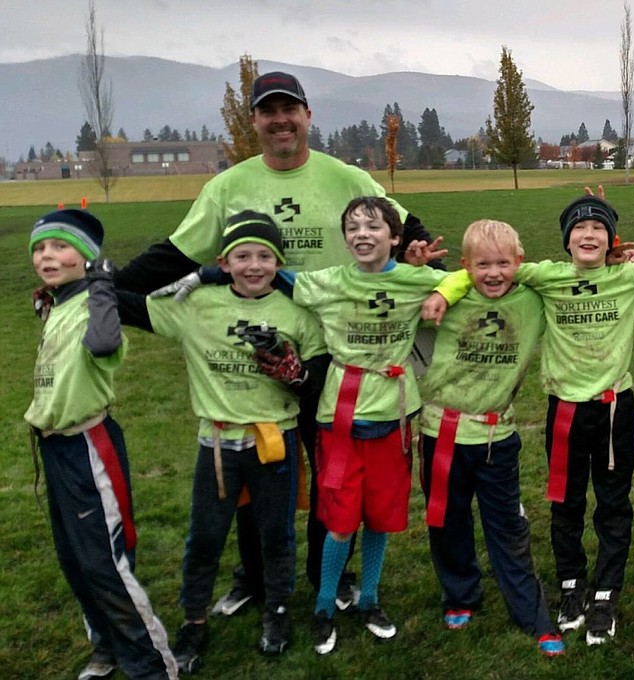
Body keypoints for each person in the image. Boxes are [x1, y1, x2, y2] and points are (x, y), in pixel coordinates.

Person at [114, 70, 442, 616]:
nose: (281, 119)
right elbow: (175, 254)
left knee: (331, 472)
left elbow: (411, 236)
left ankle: (325, 576)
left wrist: (437, 282)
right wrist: (105, 287)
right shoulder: (228, 186)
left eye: (291, 109)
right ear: (255, 122)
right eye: (269, 111)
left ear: (308, 116)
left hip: (332, 353)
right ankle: (256, 577)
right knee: (255, 466)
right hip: (253, 347)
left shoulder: (345, 177)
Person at [427, 194, 634, 646]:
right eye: (579, 228)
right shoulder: (547, 276)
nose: (589, 234)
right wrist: (444, 289)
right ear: (566, 241)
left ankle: (607, 593)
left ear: (611, 238)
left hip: (614, 410)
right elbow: (487, 265)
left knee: (612, 507)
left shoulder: (629, 274)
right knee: (566, 504)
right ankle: (571, 587)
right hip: (564, 412)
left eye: (598, 228)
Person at [115, 212, 328, 672]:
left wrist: (296, 375)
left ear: (279, 262)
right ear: (223, 262)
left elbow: (316, 381)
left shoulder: (297, 314)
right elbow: (124, 304)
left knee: (276, 535)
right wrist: (81, 282)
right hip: (215, 444)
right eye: (242, 256)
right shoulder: (197, 304)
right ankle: (193, 620)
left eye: (265, 256)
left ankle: (276, 612)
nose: (254, 265)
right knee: (205, 538)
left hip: (274, 440)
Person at [291, 196, 448, 655]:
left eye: (373, 226)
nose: (362, 234)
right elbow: (270, 279)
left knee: (380, 515)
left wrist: (436, 289)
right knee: (340, 521)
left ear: (395, 238)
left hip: (394, 416)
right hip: (340, 419)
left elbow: (466, 281)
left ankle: (371, 599)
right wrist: (210, 273)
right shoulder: (328, 282)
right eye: (353, 227)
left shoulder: (415, 280)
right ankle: (324, 605)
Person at [26, 209, 177, 680]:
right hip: (55, 450)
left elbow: (103, 345)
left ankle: (152, 667)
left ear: (87, 257)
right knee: (75, 560)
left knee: (106, 564)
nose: (47, 256)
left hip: (89, 447)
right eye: (39, 248)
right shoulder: (58, 301)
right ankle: (108, 647)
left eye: (60, 247)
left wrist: (104, 287)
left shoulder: (96, 302)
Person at [417, 219, 564, 657]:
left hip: (496, 434)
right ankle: (460, 593)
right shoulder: (446, 295)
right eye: (482, 265)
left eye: (503, 263)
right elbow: (398, 278)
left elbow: (573, 274)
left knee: (508, 526)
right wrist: (445, 287)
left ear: (519, 263)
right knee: (447, 519)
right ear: (465, 266)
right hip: (440, 430)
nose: (494, 273)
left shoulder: (532, 301)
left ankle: (531, 612)